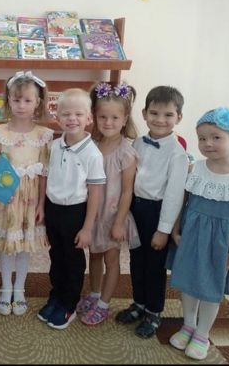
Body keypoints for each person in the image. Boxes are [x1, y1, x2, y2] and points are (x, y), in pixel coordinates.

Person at [168, 107, 229, 360]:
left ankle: (202, 333)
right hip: (191, 237)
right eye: (202, 138)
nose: (208, 143)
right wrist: (176, 230)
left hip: (219, 244)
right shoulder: (195, 168)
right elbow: (182, 202)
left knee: (211, 287)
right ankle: (188, 325)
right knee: (188, 283)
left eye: (216, 137)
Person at [115, 85, 189, 338]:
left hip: (159, 212)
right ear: (144, 113)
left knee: (155, 266)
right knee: (136, 260)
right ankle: (139, 303)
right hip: (136, 208)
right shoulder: (138, 142)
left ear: (179, 117)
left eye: (168, 115)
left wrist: (163, 230)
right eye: (154, 113)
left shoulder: (178, 154)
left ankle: (154, 312)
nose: (160, 120)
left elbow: (174, 195)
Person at [0, 70, 53, 317]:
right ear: (8, 100)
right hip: (6, 197)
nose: (21, 105)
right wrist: (4, 194)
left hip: (31, 199)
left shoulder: (43, 135)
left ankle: (19, 289)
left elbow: (44, 174)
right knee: (7, 246)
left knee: (23, 246)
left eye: (27, 100)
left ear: (37, 102)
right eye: (16, 99)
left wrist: (41, 204)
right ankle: (6, 288)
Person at [39, 88, 105, 330]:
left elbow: (95, 191)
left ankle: (69, 305)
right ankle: (56, 296)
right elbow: (45, 176)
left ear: (89, 118)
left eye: (78, 114)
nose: (72, 118)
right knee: (56, 256)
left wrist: (87, 228)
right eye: (66, 114)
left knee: (73, 261)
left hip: (75, 212)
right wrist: (42, 207)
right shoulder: (54, 146)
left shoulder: (92, 154)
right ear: (57, 117)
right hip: (53, 209)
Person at [78, 82, 141, 326]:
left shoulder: (126, 152)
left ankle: (104, 305)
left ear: (125, 119)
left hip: (113, 215)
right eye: (103, 117)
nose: (108, 122)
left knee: (111, 260)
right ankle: (94, 294)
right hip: (93, 213)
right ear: (94, 116)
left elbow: (127, 191)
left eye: (115, 117)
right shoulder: (92, 145)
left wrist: (119, 223)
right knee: (94, 256)